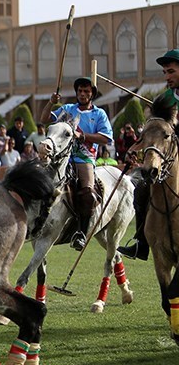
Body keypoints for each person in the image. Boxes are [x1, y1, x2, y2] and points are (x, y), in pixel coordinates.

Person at [118, 48, 179, 261]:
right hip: (167, 161)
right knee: (142, 189)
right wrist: (133, 151)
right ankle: (142, 243)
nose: (167, 76)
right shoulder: (164, 100)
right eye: (165, 72)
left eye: (171, 71)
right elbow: (151, 133)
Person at [40, 76, 113, 251]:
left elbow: (106, 138)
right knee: (39, 181)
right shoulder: (67, 109)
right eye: (80, 91)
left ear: (92, 94)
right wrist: (51, 102)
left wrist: (83, 136)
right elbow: (44, 119)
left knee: (87, 192)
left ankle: (81, 233)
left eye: (86, 91)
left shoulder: (99, 114)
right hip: (61, 156)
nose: (82, 94)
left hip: (84, 158)